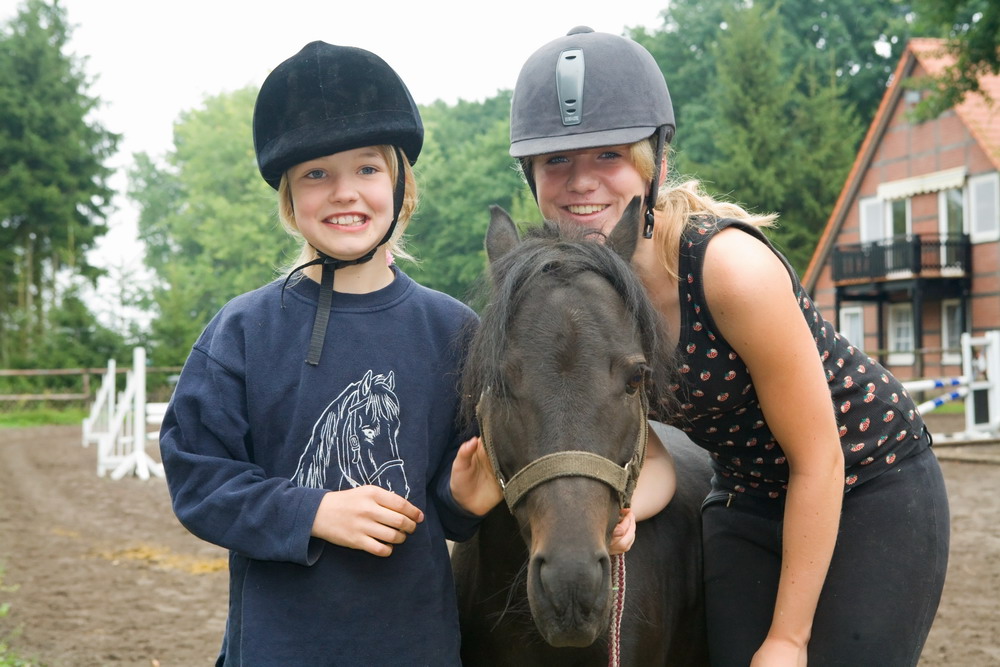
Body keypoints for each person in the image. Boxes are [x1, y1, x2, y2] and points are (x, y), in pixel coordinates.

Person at [508, 26, 950, 667]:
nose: (581, 182)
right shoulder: (585, 298)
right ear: (531, 176)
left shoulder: (727, 268)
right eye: (556, 161)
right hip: (745, 492)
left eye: (607, 156)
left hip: (864, 481)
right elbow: (652, 456)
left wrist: (789, 638)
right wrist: (623, 513)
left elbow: (819, 457)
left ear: (653, 162)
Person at [158, 41, 502, 665]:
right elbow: (198, 476)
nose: (345, 192)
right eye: (317, 173)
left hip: (415, 646)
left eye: (367, 169)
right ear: (289, 197)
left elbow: (450, 510)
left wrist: (462, 497)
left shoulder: (457, 331)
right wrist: (312, 510)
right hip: (278, 647)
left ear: (401, 184)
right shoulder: (241, 331)